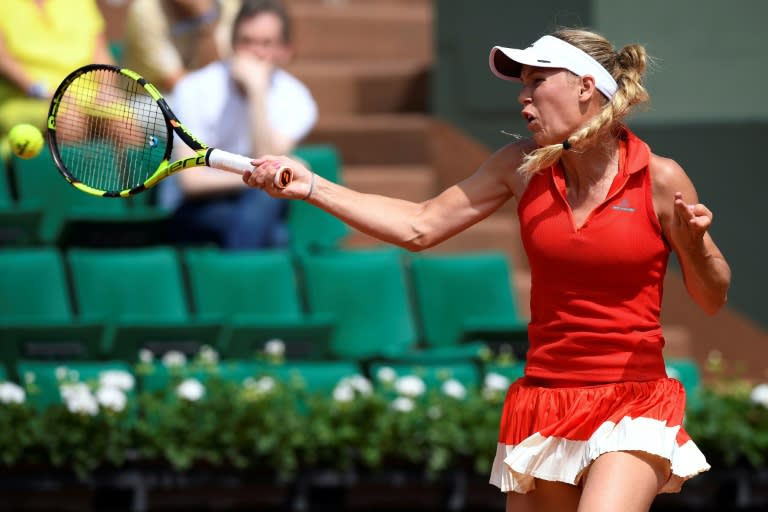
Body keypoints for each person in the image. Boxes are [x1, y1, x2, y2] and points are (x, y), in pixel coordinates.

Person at [242, 28, 732, 512]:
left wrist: (696, 248)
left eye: (537, 81)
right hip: (545, 399)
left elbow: (712, 297)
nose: (523, 97)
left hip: (634, 402)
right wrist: (312, 187)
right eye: (521, 84)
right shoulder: (520, 166)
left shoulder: (661, 177)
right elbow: (419, 225)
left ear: (587, 87)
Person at [159, 0, 317, 250]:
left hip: (256, 200)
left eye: (266, 43)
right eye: (246, 41)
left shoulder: (297, 98)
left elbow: (268, 159)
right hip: (194, 208)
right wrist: (262, 174)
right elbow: (191, 183)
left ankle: (235, 282)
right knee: (275, 234)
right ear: (232, 44)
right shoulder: (193, 89)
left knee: (265, 204)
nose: (255, 52)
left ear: (284, 50)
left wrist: (257, 94)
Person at [0, 0, 114, 153]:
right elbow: (4, 59)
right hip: (27, 99)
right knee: (70, 121)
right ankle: (64, 177)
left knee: (125, 124)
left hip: (87, 96)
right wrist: (45, 92)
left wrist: (107, 89)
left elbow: (100, 52)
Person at [123, 0, 243, 93]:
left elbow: (223, 70)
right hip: (149, 101)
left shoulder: (228, 4)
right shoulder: (145, 11)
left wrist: (205, 20)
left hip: (206, 94)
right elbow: (175, 83)